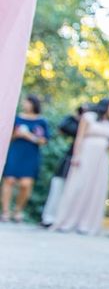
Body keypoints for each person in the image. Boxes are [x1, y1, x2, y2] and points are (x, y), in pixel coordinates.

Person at [51, 99, 109, 235]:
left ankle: (87, 223)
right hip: (86, 155)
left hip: (102, 159)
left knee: (96, 188)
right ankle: (67, 220)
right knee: (78, 186)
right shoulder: (88, 117)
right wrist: (76, 155)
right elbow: (79, 137)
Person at [1, 95, 49, 223]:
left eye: (27, 102)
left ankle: (18, 210)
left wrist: (28, 136)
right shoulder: (17, 118)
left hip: (31, 155)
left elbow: (44, 140)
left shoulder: (41, 121)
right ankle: (5, 212)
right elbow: (7, 136)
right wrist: (16, 135)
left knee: (25, 184)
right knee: (9, 180)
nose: (24, 104)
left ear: (34, 104)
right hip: (15, 152)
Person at [41, 104, 90, 227]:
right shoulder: (74, 123)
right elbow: (64, 127)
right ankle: (49, 217)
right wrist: (77, 118)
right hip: (70, 159)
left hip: (89, 161)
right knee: (58, 184)